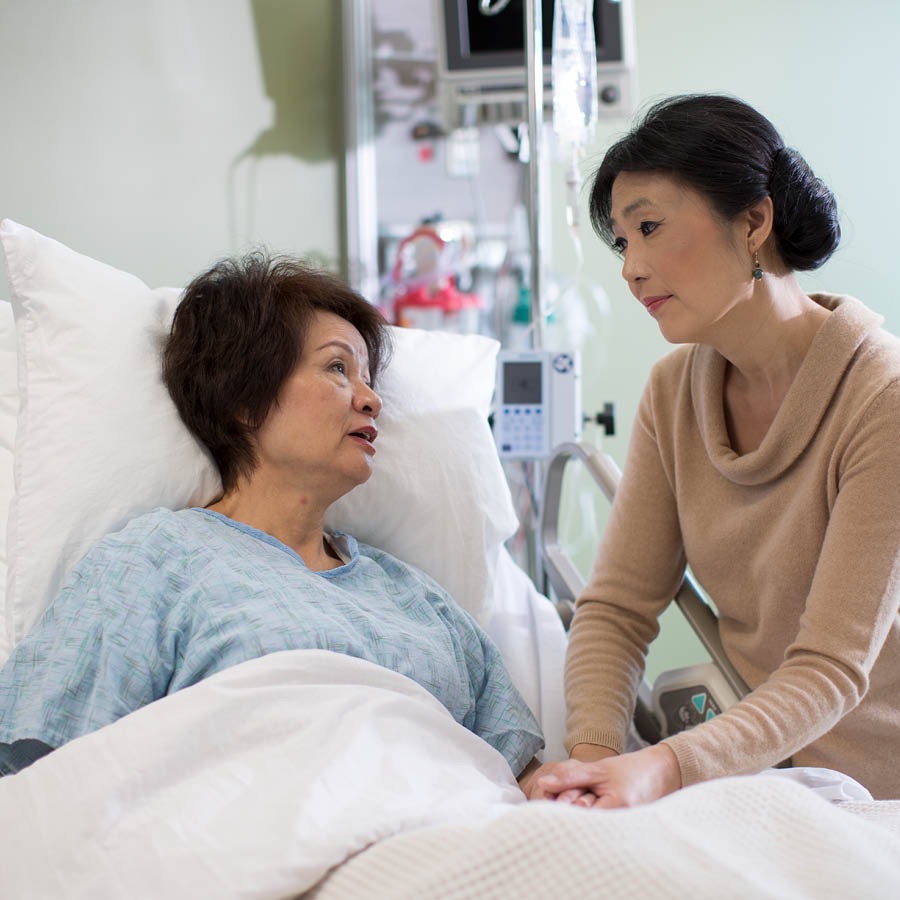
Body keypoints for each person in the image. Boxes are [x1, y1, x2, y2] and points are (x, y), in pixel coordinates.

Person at [0, 253, 543, 781]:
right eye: (338, 368)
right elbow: (45, 779)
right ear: (246, 399)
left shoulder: (413, 597)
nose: (371, 400)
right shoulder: (152, 564)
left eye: (369, 378)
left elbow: (523, 777)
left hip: (461, 836)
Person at [521, 94, 900, 806]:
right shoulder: (674, 396)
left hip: (879, 793)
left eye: (649, 228)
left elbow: (832, 668)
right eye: (622, 243)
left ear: (754, 221)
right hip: (764, 785)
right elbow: (616, 610)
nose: (631, 270)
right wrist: (592, 765)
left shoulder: (883, 399)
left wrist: (661, 766)